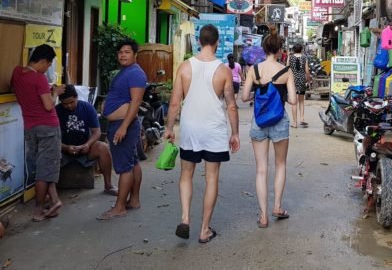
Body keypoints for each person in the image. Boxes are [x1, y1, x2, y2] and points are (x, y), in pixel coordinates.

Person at [164, 24, 240, 243]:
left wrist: (169, 128)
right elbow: (232, 106)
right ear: (216, 43)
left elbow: (175, 102)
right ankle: (204, 229)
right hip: (214, 129)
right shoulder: (224, 70)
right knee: (212, 177)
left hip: (190, 129)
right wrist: (235, 133)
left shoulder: (185, 67)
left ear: (199, 41)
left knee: (186, 173)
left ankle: (185, 218)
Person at [241, 26, 297, 228]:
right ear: (280, 50)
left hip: (259, 121)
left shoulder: (254, 70)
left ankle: (263, 216)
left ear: (263, 49)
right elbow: (291, 100)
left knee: (261, 170)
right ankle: (277, 207)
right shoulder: (286, 71)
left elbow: (245, 96)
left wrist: (259, 92)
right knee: (280, 164)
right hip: (279, 121)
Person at [11, 44, 65, 222]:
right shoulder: (39, 79)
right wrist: (55, 93)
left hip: (30, 127)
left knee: (41, 166)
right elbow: (48, 105)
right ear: (42, 61)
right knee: (45, 169)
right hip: (48, 126)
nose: (48, 68)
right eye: (48, 65)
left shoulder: (17, 73)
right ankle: (38, 210)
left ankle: (55, 201)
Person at [98, 39, 147, 220]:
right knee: (132, 162)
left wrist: (124, 127)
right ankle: (133, 200)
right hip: (121, 124)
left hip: (123, 125)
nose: (123, 55)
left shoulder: (135, 73)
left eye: (127, 52)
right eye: (120, 52)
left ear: (135, 54)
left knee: (124, 167)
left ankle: (119, 207)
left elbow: (136, 102)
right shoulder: (127, 71)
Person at [56, 85, 117, 196]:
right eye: (65, 103)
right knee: (49, 150)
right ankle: (50, 191)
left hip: (85, 149)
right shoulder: (56, 111)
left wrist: (87, 145)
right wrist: (65, 147)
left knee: (103, 147)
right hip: (63, 150)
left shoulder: (87, 108)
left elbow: (97, 132)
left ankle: (108, 185)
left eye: (71, 102)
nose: (69, 106)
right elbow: (53, 138)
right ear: (60, 102)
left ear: (77, 97)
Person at [287, 44, 311, 128]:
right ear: (301, 49)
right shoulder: (304, 57)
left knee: (294, 102)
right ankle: (302, 119)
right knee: (301, 101)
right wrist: (308, 79)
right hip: (301, 80)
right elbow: (307, 70)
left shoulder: (290, 57)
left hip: (292, 80)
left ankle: (294, 122)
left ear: (293, 49)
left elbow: (287, 68)